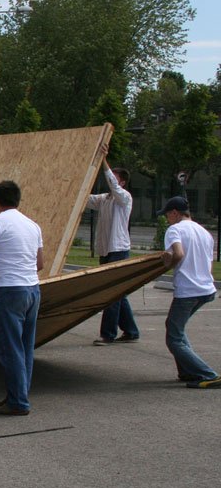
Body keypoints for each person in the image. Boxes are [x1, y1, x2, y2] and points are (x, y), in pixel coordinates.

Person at [0, 180, 44, 416]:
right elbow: (40, 263)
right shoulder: (33, 226)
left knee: (8, 348)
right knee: (24, 347)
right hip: (32, 290)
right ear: (18, 199)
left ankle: (18, 402)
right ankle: (18, 395)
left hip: (8, 291)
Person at [158, 196, 221, 389]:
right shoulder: (204, 232)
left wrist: (167, 265)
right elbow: (209, 264)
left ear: (175, 213)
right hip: (206, 288)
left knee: (173, 338)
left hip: (188, 290)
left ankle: (208, 374)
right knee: (176, 326)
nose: (167, 219)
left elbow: (178, 254)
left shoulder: (174, 229)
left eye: (167, 214)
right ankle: (187, 371)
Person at [87, 145, 139, 346]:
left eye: (115, 177)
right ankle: (131, 331)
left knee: (111, 294)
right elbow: (86, 198)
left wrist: (103, 160)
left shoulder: (124, 198)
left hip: (118, 249)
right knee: (119, 293)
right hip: (106, 250)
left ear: (123, 182)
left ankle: (107, 334)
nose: (111, 179)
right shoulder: (105, 199)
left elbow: (113, 185)